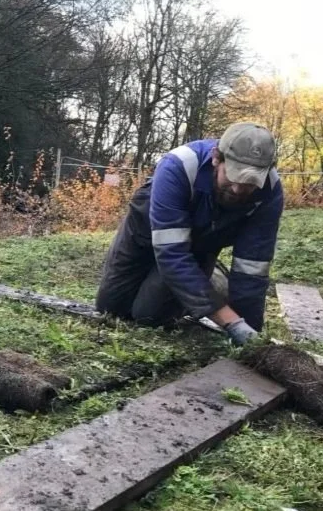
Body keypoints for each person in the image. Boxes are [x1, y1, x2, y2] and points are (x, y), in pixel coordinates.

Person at [95, 122, 284, 346]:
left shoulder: (270, 192)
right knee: (111, 309)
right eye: (232, 177)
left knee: (148, 316)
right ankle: (213, 280)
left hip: (200, 246)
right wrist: (230, 321)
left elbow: (251, 268)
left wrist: (248, 331)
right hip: (145, 234)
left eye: (250, 184)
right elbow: (172, 255)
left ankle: (203, 277)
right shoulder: (179, 165)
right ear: (216, 159)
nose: (237, 190)